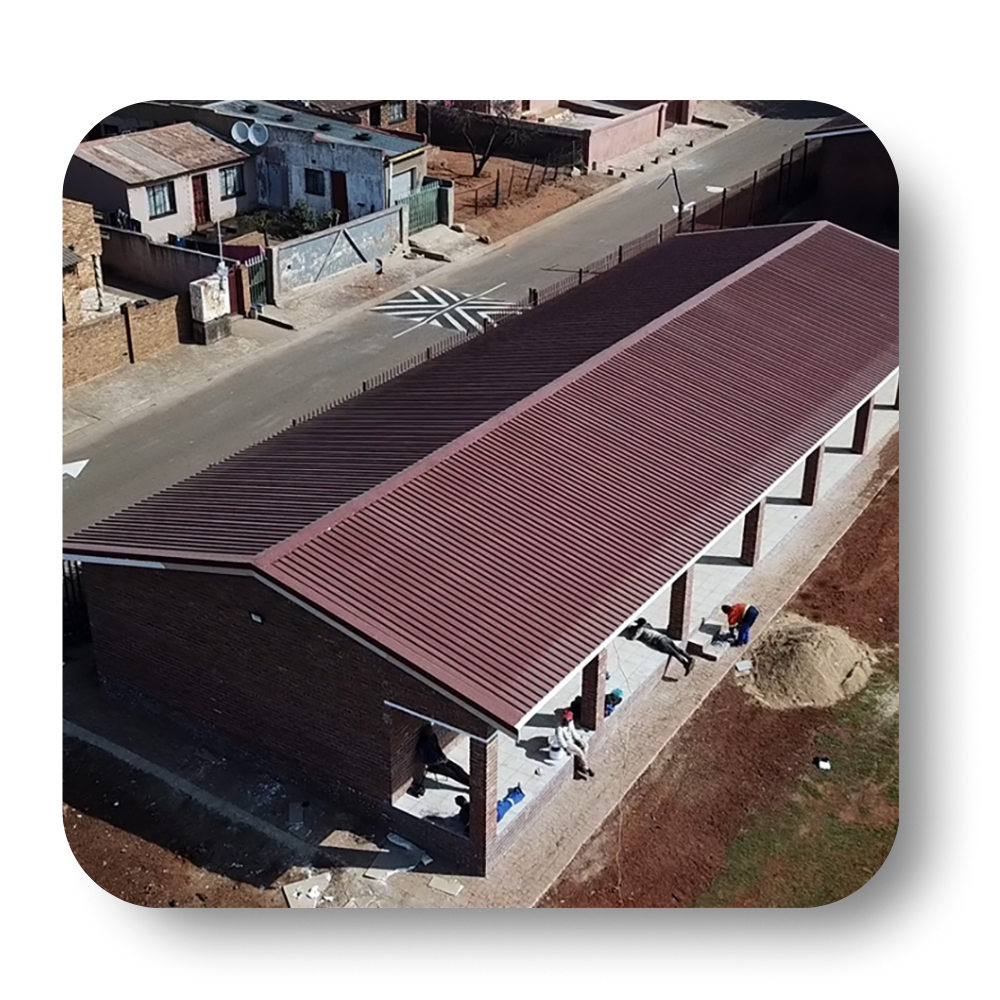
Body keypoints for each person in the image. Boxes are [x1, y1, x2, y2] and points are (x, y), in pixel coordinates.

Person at [622, 617, 695, 675]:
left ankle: (685, 664)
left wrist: (628, 636)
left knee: (674, 653)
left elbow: (633, 638)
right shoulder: (647, 625)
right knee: (677, 649)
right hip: (663, 637)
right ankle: (689, 658)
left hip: (658, 642)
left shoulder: (640, 629)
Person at [556, 710, 594, 779]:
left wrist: (579, 740)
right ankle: (586, 767)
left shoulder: (571, 723)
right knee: (579, 752)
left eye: (568, 720)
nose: (567, 722)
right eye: (565, 720)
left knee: (585, 746)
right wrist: (565, 748)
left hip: (572, 739)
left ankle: (580, 763)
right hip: (568, 742)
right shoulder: (560, 728)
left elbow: (574, 732)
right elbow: (561, 739)